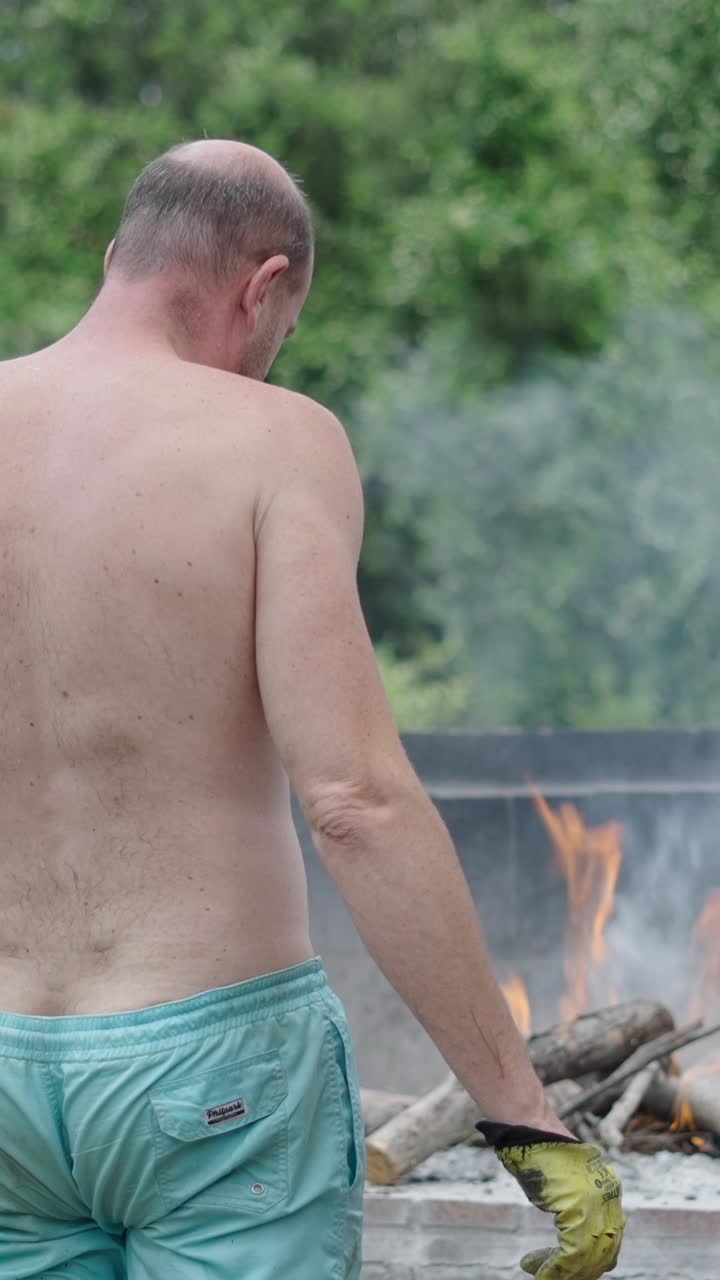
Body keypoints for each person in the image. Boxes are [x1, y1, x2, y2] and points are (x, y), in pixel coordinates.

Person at [0, 138, 625, 1280]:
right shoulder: (275, 438)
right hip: (210, 1078)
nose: (277, 354)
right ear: (262, 284)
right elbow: (353, 801)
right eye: (286, 327)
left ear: (114, 259)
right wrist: (524, 1116)